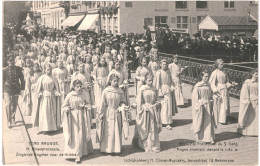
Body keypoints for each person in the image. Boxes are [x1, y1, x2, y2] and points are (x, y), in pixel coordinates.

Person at [62, 79, 93, 163]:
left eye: (80, 86)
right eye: (77, 87)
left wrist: (86, 106)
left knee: (82, 132)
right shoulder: (69, 95)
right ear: (74, 87)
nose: (79, 88)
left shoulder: (84, 94)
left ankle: (84, 151)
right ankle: (76, 155)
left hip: (82, 116)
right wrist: (67, 109)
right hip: (73, 118)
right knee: (76, 134)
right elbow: (64, 106)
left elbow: (88, 103)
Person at [96, 74, 129, 154]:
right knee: (109, 130)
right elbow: (102, 103)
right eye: (114, 81)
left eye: (117, 81)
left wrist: (122, 106)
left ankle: (116, 148)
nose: (116, 82)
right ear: (110, 81)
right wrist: (100, 113)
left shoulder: (120, 91)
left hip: (116, 112)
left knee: (116, 130)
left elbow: (122, 101)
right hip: (108, 112)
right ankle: (106, 148)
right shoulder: (106, 91)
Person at [132, 73, 162, 152]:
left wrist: (157, 103)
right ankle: (144, 144)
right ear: (145, 80)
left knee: (153, 127)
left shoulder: (155, 89)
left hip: (153, 111)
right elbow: (139, 101)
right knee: (145, 127)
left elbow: (158, 99)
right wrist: (143, 107)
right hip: (145, 111)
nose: (151, 82)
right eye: (149, 80)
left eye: (152, 80)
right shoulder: (142, 89)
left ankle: (153, 144)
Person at [32, 64, 61, 134]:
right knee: (45, 112)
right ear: (44, 70)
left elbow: (55, 88)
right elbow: (38, 88)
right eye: (47, 69)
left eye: (50, 69)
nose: (49, 71)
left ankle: (52, 128)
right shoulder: (41, 78)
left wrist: (56, 92)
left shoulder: (54, 78)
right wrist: (40, 93)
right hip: (44, 97)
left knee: (52, 112)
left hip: (52, 96)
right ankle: (45, 128)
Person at [192, 70, 216, 144]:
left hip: (208, 105)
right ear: (201, 77)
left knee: (208, 121)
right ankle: (200, 138)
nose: (207, 78)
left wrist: (214, 97)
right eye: (205, 76)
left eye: (208, 76)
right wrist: (199, 103)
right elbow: (195, 98)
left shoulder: (209, 85)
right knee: (201, 121)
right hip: (201, 106)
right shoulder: (197, 86)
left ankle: (209, 138)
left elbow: (210, 95)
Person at [153, 59, 178, 130]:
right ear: (160, 65)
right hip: (161, 89)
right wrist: (159, 92)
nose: (164, 66)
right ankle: (160, 121)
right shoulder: (159, 72)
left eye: (165, 64)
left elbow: (171, 81)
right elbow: (157, 83)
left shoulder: (168, 72)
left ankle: (168, 122)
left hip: (168, 89)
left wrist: (172, 86)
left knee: (168, 106)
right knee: (162, 106)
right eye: (163, 64)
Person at [3, 56, 25, 128]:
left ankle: (13, 118)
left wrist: (22, 89)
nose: (11, 62)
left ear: (14, 61)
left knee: (14, 104)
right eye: (10, 60)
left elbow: (22, 79)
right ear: (8, 62)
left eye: (12, 60)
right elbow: (2, 81)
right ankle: (9, 121)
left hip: (16, 88)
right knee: (8, 104)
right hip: (7, 88)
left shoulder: (18, 69)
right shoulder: (4, 70)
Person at [209, 59, 231, 125]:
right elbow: (211, 83)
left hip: (224, 89)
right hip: (219, 89)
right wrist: (215, 90)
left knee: (225, 104)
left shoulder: (224, 71)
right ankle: (220, 119)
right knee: (220, 104)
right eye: (221, 64)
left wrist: (229, 84)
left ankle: (224, 118)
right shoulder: (215, 72)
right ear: (217, 65)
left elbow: (226, 81)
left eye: (223, 64)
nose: (222, 65)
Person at [237, 69, 258, 136]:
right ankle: (247, 131)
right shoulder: (248, 82)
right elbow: (244, 92)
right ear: (252, 74)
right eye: (256, 74)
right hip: (251, 100)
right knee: (250, 115)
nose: (257, 76)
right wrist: (247, 100)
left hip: (257, 100)